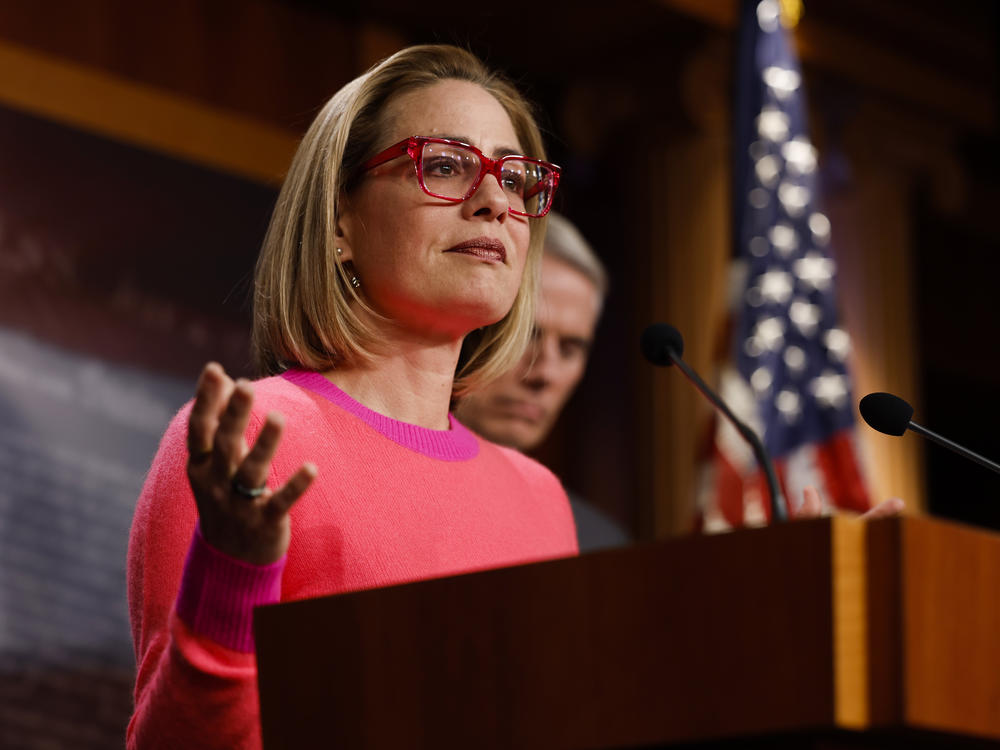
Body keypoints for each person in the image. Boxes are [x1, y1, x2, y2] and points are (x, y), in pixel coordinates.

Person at [126, 45, 577, 749]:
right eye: (445, 165)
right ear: (340, 222)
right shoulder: (254, 444)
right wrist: (231, 577)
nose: (495, 202)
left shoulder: (541, 500)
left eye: (516, 180)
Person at [454, 212, 630, 550]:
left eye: (569, 349)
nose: (544, 374)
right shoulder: (380, 499)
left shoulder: (599, 544)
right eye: (526, 336)